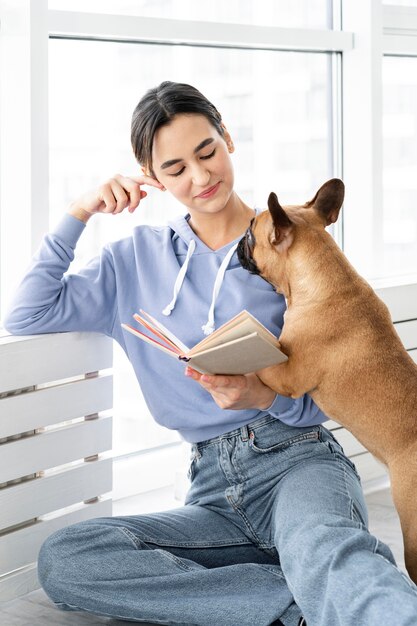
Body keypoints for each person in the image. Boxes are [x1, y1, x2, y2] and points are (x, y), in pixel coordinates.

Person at [4, 81, 417, 626]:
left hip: (299, 462)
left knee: (335, 557)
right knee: (66, 560)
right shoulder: (132, 261)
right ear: (150, 176)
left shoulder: (287, 248)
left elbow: (325, 398)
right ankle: (301, 602)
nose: (200, 178)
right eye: (174, 168)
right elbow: (27, 314)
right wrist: (80, 212)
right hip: (211, 490)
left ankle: (321, 582)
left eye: (207, 152)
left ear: (227, 139)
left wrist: (261, 396)